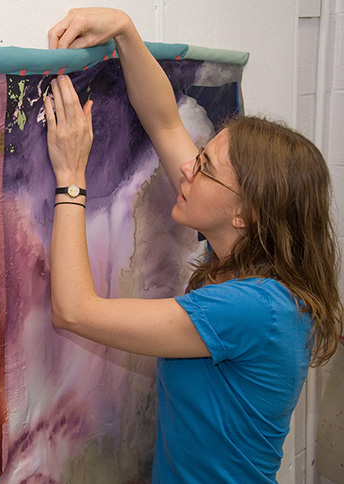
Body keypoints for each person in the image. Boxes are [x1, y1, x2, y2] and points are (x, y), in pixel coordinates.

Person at [44, 7, 343, 483]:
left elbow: (75, 311)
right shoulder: (243, 256)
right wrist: (124, 29)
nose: (188, 167)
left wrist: (70, 177)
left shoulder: (252, 309)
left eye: (205, 169)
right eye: (200, 156)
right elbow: (164, 123)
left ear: (244, 214)